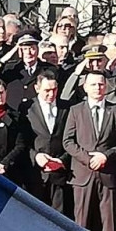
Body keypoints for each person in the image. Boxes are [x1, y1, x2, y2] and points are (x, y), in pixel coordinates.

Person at [63, 70, 116, 231]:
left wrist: (105, 156)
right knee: (81, 221)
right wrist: (87, 158)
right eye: (93, 84)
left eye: (101, 84)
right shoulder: (75, 110)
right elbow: (68, 141)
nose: (97, 88)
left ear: (106, 86)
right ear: (85, 87)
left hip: (108, 173)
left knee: (109, 222)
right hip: (82, 174)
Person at [22, 68, 72, 216]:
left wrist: (61, 160)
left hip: (61, 174)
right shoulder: (27, 108)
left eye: (54, 89)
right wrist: (36, 157)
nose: (51, 94)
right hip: (36, 175)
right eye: (46, 90)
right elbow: (23, 140)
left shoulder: (67, 108)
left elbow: (72, 138)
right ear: (37, 88)